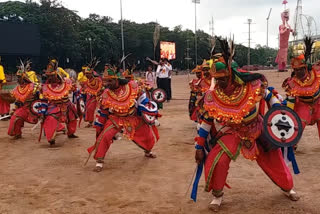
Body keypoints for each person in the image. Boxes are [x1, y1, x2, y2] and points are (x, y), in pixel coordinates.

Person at [193, 38, 299, 212]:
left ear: (232, 74)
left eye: (223, 79)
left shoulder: (252, 85)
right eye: (216, 79)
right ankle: (217, 196)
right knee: (218, 160)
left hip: (256, 127)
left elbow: (269, 97)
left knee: (274, 158)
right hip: (232, 131)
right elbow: (206, 120)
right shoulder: (212, 96)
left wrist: (280, 114)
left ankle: (288, 187)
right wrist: (199, 146)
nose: (219, 83)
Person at [87, 65, 160, 172]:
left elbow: (142, 98)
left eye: (109, 81)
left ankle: (148, 151)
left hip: (133, 117)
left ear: (116, 80)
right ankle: (99, 161)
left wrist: (147, 111)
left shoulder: (131, 86)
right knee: (105, 136)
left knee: (147, 135)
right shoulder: (106, 93)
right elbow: (103, 111)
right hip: (115, 118)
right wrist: (99, 126)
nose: (106, 84)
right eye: (105, 81)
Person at [283, 37, 320, 140]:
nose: (298, 72)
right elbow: (290, 100)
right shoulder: (291, 83)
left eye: (300, 69)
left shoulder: (316, 73)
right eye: (296, 70)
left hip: (318, 103)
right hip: (303, 105)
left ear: (305, 68)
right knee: (299, 125)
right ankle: (292, 143)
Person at [41, 59, 78, 146]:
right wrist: (42, 112)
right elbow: (43, 99)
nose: (50, 78)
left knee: (72, 116)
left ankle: (71, 133)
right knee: (50, 118)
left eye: (52, 76)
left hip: (66, 104)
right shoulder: (45, 87)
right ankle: (51, 138)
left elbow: (73, 89)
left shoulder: (66, 82)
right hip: (54, 105)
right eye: (48, 76)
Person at [8, 61, 40, 139]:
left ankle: (59, 128)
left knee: (49, 117)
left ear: (24, 78)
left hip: (34, 109)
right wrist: (14, 108)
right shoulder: (17, 89)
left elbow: (40, 97)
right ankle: (17, 133)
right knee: (15, 116)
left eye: (19, 77)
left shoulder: (33, 86)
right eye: (17, 77)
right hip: (24, 109)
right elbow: (18, 101)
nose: (18, 79)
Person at [82, 60, 103, 128]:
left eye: (88, 74)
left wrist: (96, 92)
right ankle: (90, 122)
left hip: (96, 96)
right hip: (89, 96)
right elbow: (85, 88)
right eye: (86, 74)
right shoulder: (87, 81)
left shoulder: (98, 80)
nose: (87, 75)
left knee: (92, 108)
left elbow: (100, 87)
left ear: (92, 73)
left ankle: (98, 122)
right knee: (88, 108)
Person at [275, 6, 295, 72]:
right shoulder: (282, 26)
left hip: (286, 44)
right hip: (282, 44)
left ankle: (283, 68)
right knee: (281, 56)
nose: (286, 18)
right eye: (285, 17)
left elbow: (292, 31)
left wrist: (293, 31)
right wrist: (286, 29)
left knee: (285, 56)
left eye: (287, 17)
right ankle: (280, 68)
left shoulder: (288, 26)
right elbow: (281, 32)